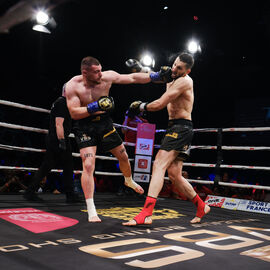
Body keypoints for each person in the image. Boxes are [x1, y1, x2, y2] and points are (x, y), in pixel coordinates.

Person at [65, 56, 172, 222]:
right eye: (96, 72)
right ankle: (91, 209)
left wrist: (155, 76)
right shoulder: (73, 86)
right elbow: (73, 112)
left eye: (101, 70)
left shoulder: (106, 77)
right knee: (88, 164)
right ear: (84, 72)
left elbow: (132, 77)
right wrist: (95, 106)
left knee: (123, 157)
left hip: (104, 124)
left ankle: (128, 181)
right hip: (84, 126)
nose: (101, 74)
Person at [123, 52, 211, 226]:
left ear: (187, 71)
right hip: (177, 127)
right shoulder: (171, 75)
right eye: (175, 65)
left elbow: (160, 104)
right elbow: (154, 75)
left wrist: (140, 106)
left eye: (179, 68)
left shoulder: (184, 81)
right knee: (174, 174)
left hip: (181, 127)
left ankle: (147, 212)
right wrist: (140, 68)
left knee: (158, 164)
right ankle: (201, 206)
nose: (174, 69)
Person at [24, 90, 80, 203]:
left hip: (56, 138)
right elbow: (58, 124)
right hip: (58, 138)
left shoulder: (62, 102)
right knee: (65, 166)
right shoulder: (61, 102)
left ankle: (30, 191)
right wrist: (62, 141)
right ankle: (69, 195)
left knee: (53, 165)